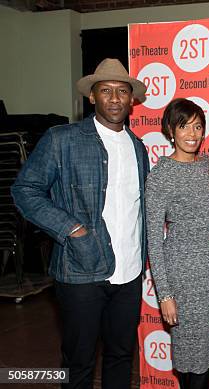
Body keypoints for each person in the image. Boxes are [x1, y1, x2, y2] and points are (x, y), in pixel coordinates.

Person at [11, 58, 149, 389]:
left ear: (131, 100)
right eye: (106, 91)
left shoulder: (138, 147)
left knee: (120, 356)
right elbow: (25, 190)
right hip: (79, 271)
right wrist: (72, 229)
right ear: (92, 97)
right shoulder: (62, 139)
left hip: (129, 272)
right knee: (79, 361)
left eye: (121, 91)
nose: (114, 99)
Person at [145, 98, 209, 388]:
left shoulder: (208, 165)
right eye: (184, 126)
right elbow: (154, 240)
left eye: (198, 126)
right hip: (182, 277)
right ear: (171, 130)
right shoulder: (161, 175)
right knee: (191, 357)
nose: (192, 134)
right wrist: (165, 294)